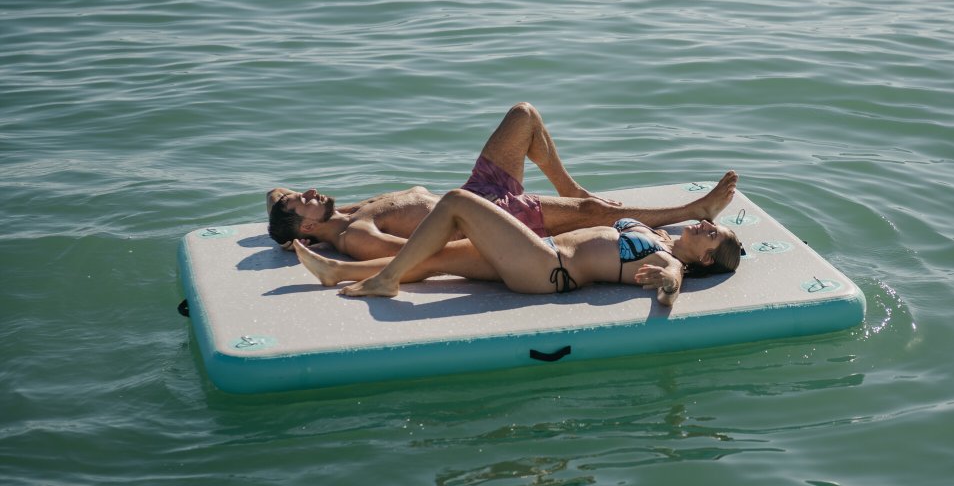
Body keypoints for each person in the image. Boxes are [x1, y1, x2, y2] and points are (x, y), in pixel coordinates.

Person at [266, 102, 738, 267]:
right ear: (306, 233)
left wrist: (283, 213)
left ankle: (572, 189)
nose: (306, 192)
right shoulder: (355, 235)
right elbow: (420, 257)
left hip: (477, 187)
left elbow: (273, 194)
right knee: (594, 215)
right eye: (300, 203)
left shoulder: (345, 209)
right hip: (489, 217)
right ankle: (694, 211)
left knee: (524, 116)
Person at [293, 185, 743, 307]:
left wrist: (668, 282)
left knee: (456, 203)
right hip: (539, 254)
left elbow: (671, 284)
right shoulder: (663, 238)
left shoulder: (668, 259)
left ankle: (386, 280)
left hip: (547, 268)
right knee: (438, 260)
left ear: (704, 257)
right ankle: (337, 273)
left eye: (712, 234)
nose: (705, 227)